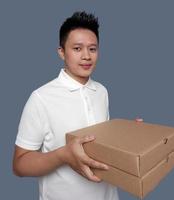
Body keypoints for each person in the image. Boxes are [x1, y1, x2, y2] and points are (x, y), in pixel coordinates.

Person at [13, 11, 119, 200]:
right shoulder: (41, 98)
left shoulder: (102, 91)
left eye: (92, 49)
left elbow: (102, 143)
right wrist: (63, 155)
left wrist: (130, 135)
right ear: (61, 52)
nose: (86, 56)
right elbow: (19, 166)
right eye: (77, 48)